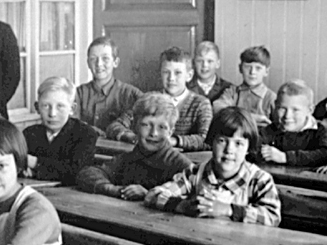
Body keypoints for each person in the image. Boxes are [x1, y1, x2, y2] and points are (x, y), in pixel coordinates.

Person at [144, 106, 281, 226]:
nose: (229, 150)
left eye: (238, 143)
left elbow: (272, 216)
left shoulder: (259, 180)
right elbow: (153, 195)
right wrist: (183, 205)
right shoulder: (195, 173)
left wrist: (229, 210)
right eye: (222, 141)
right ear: (211, 142)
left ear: (248, 148)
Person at [77, 92, 193, 200]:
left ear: (170, 132)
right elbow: (88, 174)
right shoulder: (128, 159)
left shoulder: (181, 165)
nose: (153, 133)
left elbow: (193, 196)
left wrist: (148, 194)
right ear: (134, 127)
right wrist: (116, 190)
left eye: (162, 127)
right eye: (146, 125)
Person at [107, 47, 212, 151]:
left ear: (189, 75)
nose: (171, 78)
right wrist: (132, 137)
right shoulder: (148, 100)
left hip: (185, 159)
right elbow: (114, 126)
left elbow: (206, 140)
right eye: (166, 72)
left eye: (177, 73)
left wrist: (174, 141)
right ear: (160, 73)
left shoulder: (201, 104)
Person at [23, 77, 98, 186]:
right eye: (46, 106)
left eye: (60, 106)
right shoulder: (29, 133)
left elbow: (75, 172)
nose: (52, 114)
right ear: (37, 107)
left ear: (72, 109)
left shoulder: (85, 134)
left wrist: (34, 163)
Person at [75, 36, 143, 137]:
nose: (99, 64)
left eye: (105, 59)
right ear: (88, 63)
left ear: (115, 62)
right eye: (93, 59)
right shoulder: (78, 94)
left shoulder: (131, 94)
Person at [259, 80, 327, 167]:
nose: (287, 116)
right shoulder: (272, 129)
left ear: (310, 110)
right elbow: (253, 147)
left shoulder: (321, 131)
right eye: (282, 108)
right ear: (275, 105)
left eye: (295, 110)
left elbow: (326, 154)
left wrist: (285, 157)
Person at [212, 46, 276, 127]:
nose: (252, 72)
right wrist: (251, 117)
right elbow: (217, 107)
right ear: (240, 68)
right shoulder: (232, 92)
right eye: (248, 67)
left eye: (258, 68)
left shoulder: (270, 97)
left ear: (266, 71)